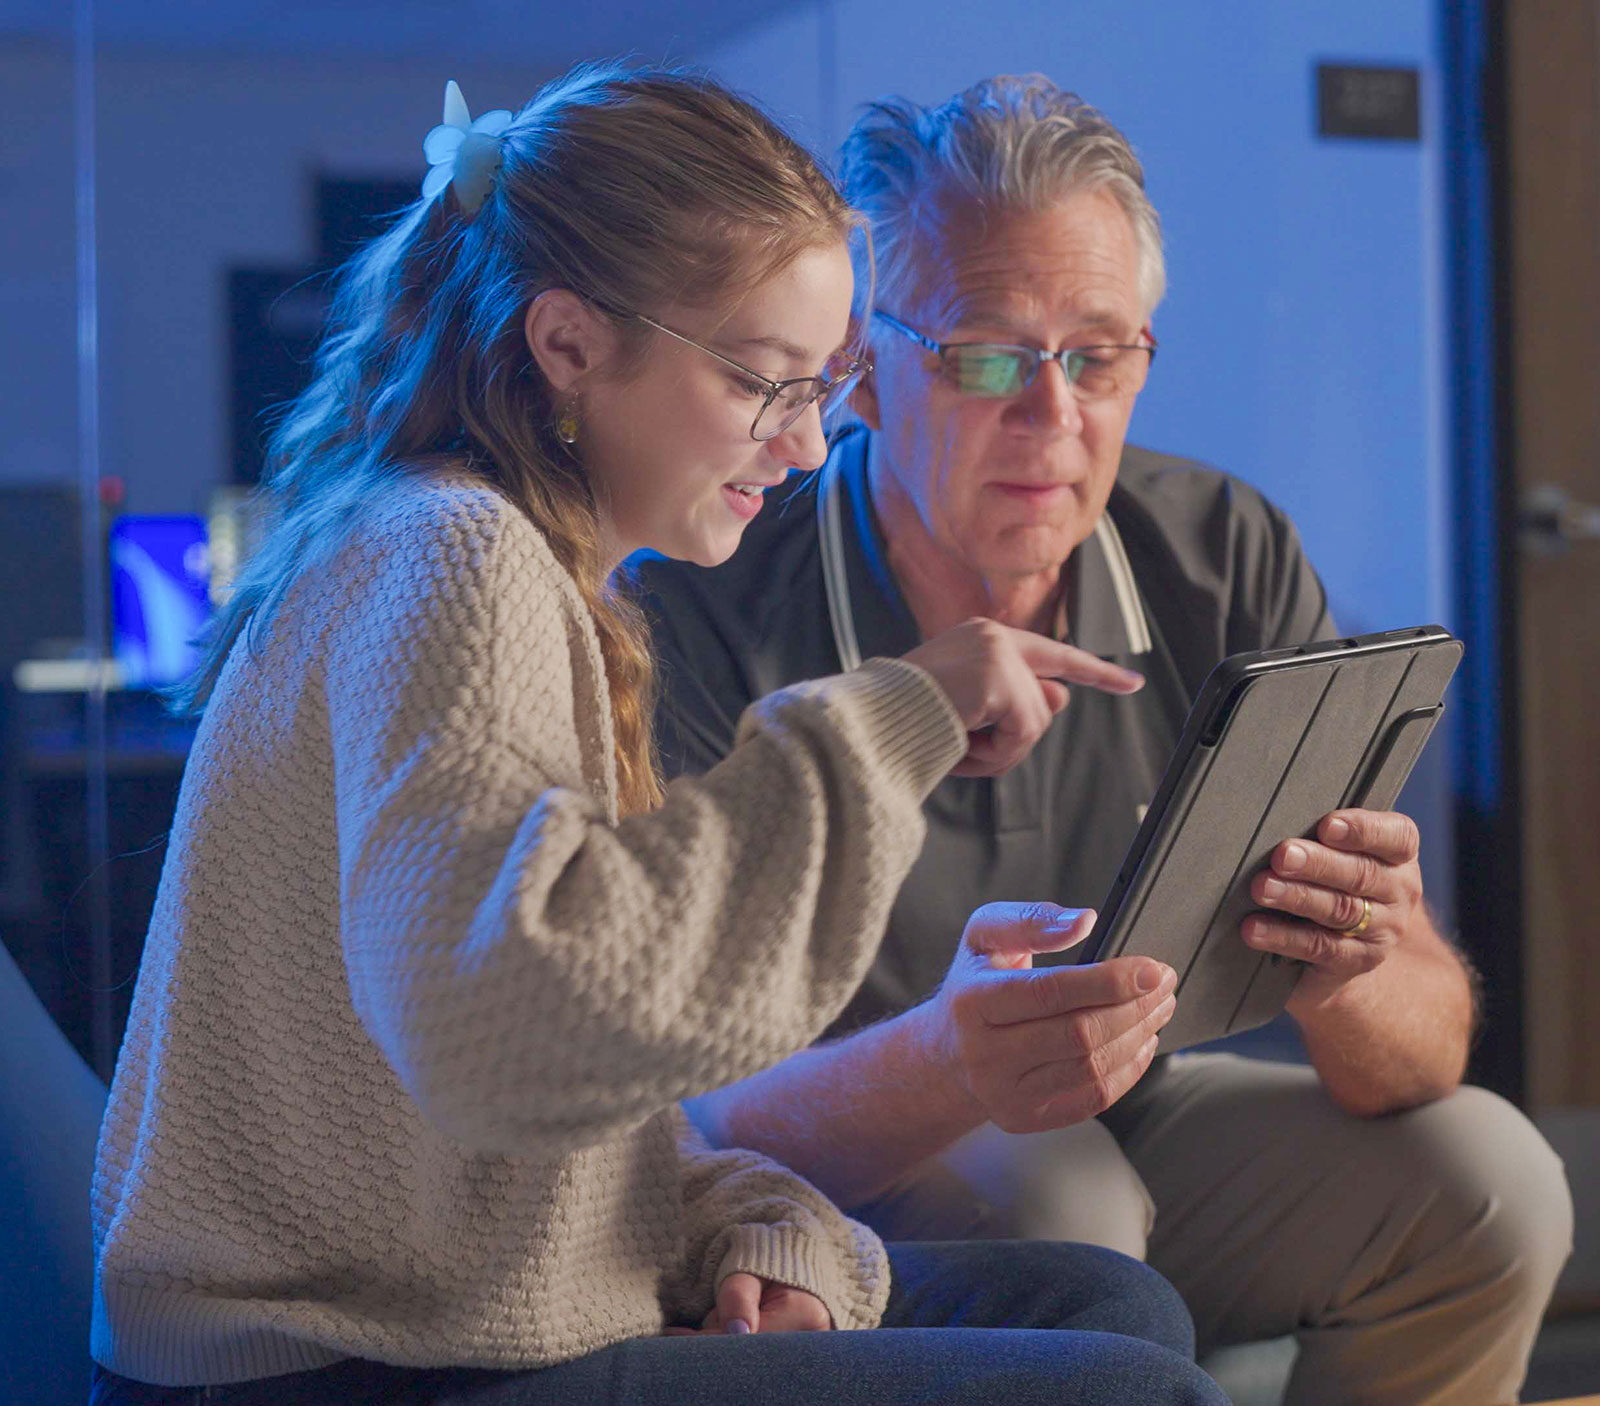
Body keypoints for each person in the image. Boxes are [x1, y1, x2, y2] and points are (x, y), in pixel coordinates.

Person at [87, 65, 1232, 1406]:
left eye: (824, 387)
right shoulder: (457, 555)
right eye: (763, 383)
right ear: (568, 343)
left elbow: (552, 1113)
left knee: (1109, 1296)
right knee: (1132, 1387)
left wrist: (756, 1224)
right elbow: (506, 1022)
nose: (806, 447)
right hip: (343, 1364)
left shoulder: (507, 559)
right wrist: (892, 717)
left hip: (441, 1300)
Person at [637, 75, 1574, 1406]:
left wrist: (1356, 961)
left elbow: (1422, 1052)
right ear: (859, 366)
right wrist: (953, 1058)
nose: (1054, 417)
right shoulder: (702, 599)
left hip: (1143, 1106)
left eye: (1100, 353)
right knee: (1062, 1202)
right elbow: (662, 1119)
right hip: (812, 1164)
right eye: (986, 354)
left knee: (1491, 1178)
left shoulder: (1221, 552)